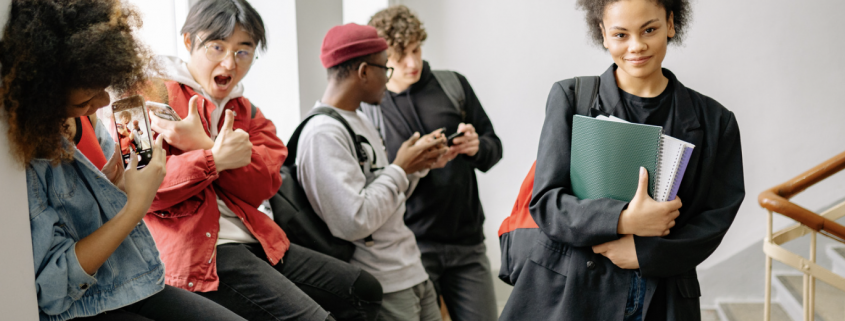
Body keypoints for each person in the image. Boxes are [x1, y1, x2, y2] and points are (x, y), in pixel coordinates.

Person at [0, 1, 247, 320]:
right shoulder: (27, 157)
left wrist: (120, 188)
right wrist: (134, 207)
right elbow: (52, 288)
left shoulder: (85, 120)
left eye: (104, 88)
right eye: (86, 98)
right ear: (46, 93)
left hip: (125, 276)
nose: (103, 102)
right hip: (79, 305)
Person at [500, 0, 745, 320]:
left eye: (650, 30)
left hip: (662, 296)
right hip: (572, 291)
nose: (636, 46)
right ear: (602, 34)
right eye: (620, 34)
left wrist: (645, 253)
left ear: (671, 24)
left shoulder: (715, 121)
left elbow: (715, 218)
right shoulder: (571, 98)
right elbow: (547, 204)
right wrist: (625, 219)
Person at [144, 1, 382, 320]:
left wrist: (202, 144)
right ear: (189, 41)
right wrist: (214, 158)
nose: (229, 62)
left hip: (258, 237)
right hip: (202, 252)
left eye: (244, 51)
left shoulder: (248, 112)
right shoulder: (154, 97)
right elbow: (149, 191)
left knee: (363, 290)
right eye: (217, 47)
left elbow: (263, 186)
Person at [296, 23, 447, 321]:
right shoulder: (323, 134)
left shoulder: (360, 120)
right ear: (364, 71)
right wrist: (400, 167)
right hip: (383, 281)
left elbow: (384, 198)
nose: (389, 79)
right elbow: (354, 220)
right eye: (385, 68)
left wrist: (415, 167)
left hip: (410, 269)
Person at [365, 6, 502, 320]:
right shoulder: (371, 107)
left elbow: (494, 147)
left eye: (416, 49)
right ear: (382, 57)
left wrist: (477, 146)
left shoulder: (453, 85)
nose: (412, 63)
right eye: (400, 57)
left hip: (468, 242)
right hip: (410, 247)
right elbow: (370, 184)